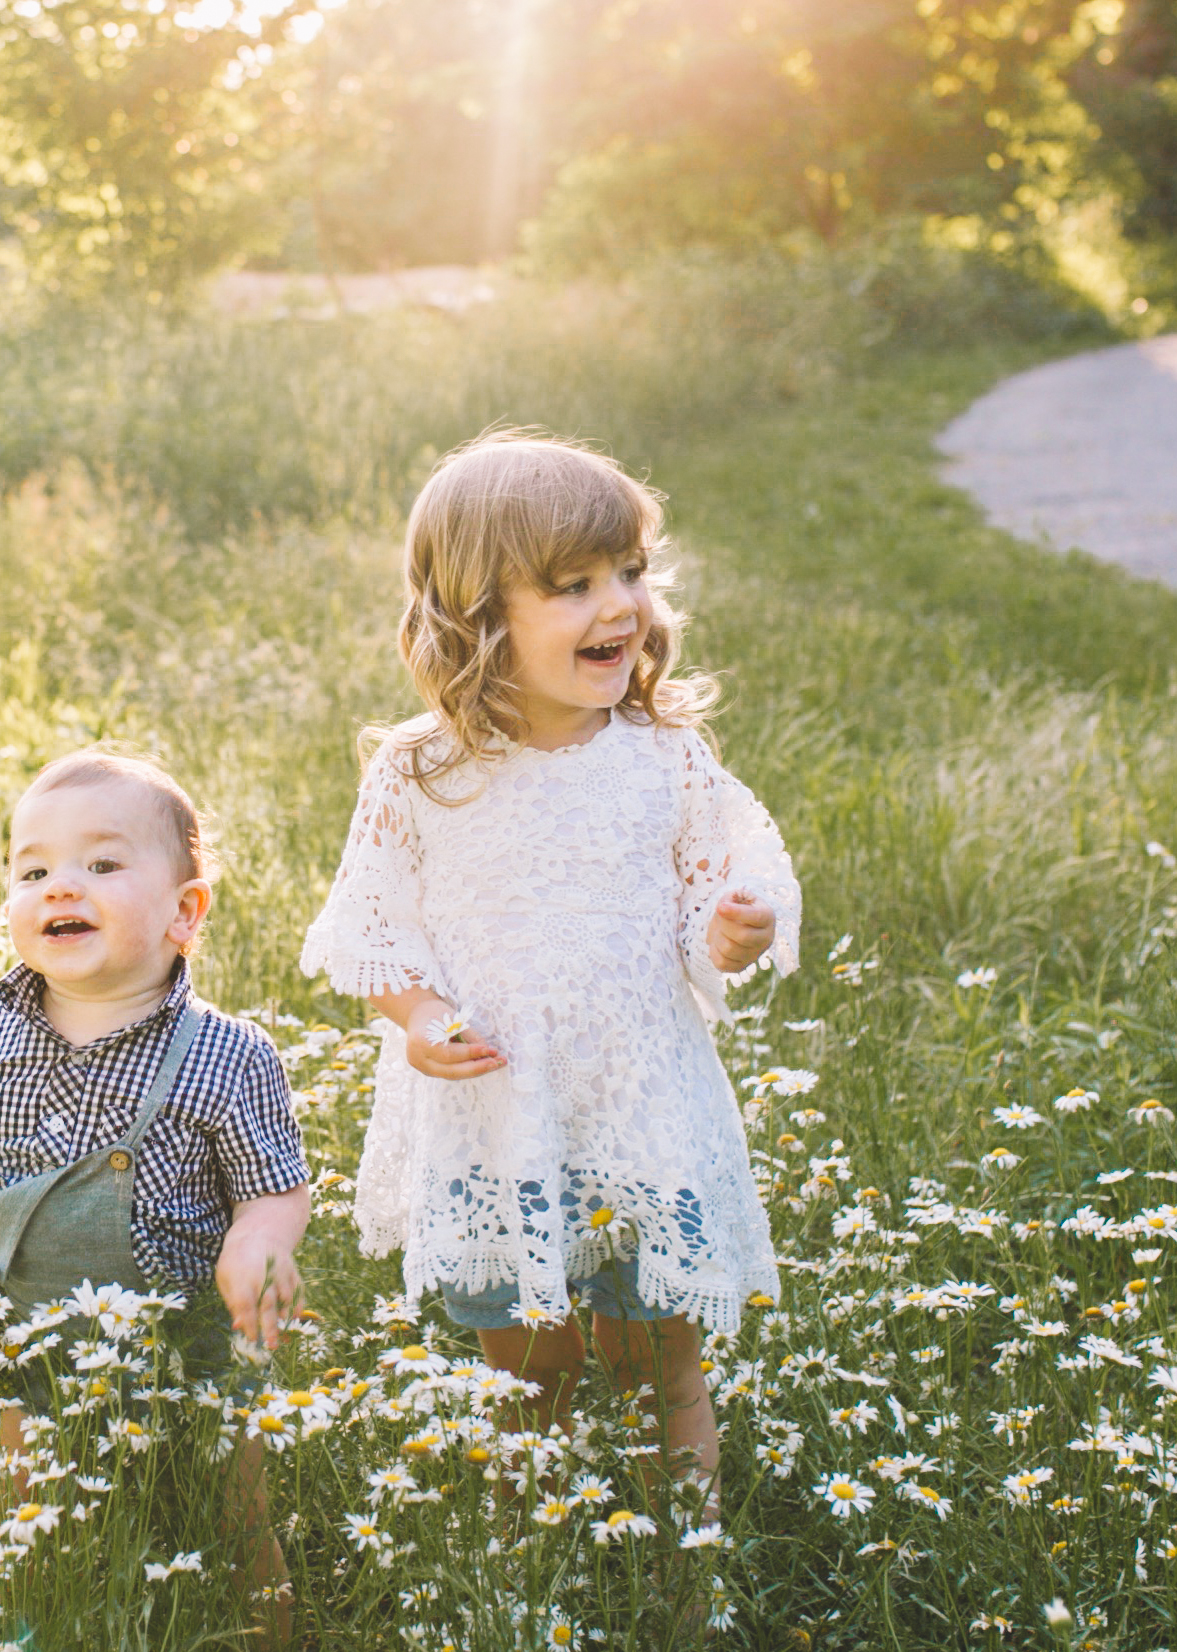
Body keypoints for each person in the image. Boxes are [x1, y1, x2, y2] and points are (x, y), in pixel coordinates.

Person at [299, 430, 801, 1510]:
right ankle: (538, 1561)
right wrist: (424, 1019)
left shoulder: (659, 754)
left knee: (657, 1357)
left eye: (629, 571)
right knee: (530, 1371)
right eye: (572, 585)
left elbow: (725, 873)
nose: (617, 605)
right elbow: (375, 926)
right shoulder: (421, 773)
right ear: (478, 616)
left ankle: (685, 1568)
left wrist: (735, 927)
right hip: (502, 1106)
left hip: (635, 1099)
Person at [0, 748, 310, 1634]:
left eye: (101, 864)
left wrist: (259, 1241)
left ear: (184, 911)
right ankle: (40, 1624)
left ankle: (271, 1632)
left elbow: (275, 1190)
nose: (60, 887)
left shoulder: (229, 1055)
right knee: (26, 1512)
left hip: (197, 1347)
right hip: (33, 1337)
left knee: (236, 1516)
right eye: (33, 869)